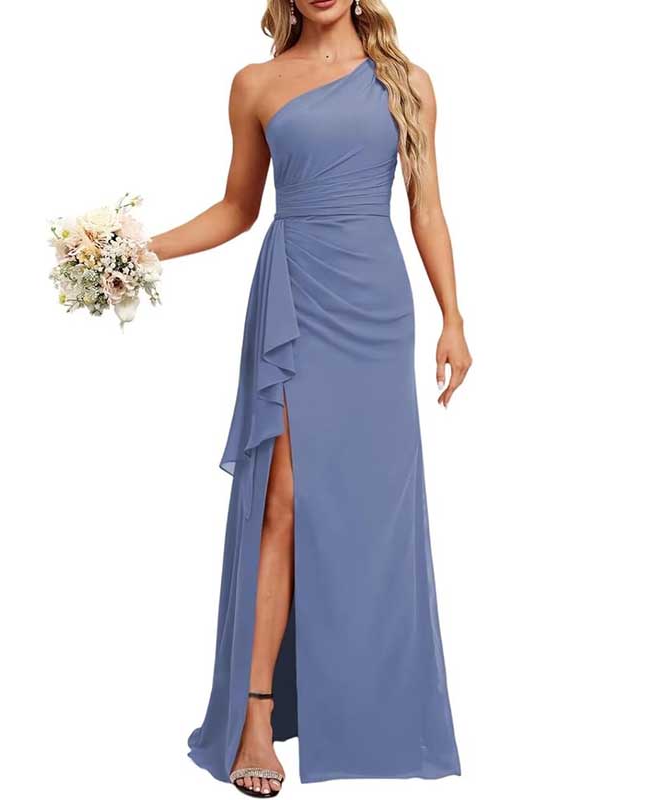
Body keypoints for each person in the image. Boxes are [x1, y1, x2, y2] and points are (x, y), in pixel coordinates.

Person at [148, 1, 471, 795]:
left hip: (376, 307)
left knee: (372, 511)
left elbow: (426, 206)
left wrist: (453, 318)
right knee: (283, 501)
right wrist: (137, 250)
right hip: (298, 295)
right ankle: (255, 718)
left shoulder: (407, 81)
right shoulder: (255, 84)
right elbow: (238, 208)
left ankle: (364, 709)